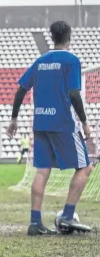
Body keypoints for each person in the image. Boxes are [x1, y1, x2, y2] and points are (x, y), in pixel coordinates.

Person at [7, 20, 93, 236]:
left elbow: (20, 89)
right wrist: (84, 121)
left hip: (40, 123)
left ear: (51, 37)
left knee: (42, 170)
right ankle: (67, 215)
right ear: (69, 37)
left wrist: (14, 119)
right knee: (85, 168)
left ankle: (35, 222)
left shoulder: (40, 61)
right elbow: (74, 93)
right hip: (63, 123)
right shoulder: (71, 60)